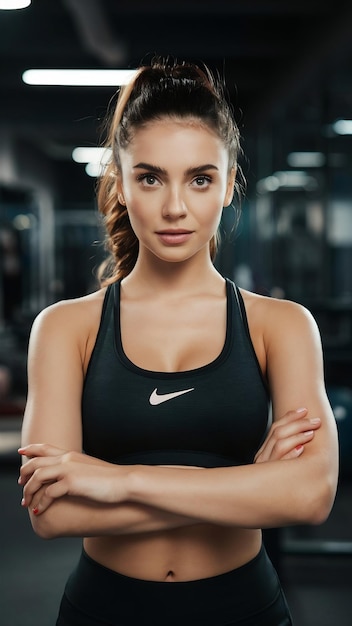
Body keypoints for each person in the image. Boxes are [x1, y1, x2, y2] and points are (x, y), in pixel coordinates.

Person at [18, 57, 339, 626]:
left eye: (199, 178)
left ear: (228, 181)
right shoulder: (67, 327)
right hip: (104, 609)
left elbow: (310, 495)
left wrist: (117, 482)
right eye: (150, 177)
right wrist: (246, 490)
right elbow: (53, 512)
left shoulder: (281, 325)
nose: (174, 207)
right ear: (119, 182)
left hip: (243, 608)